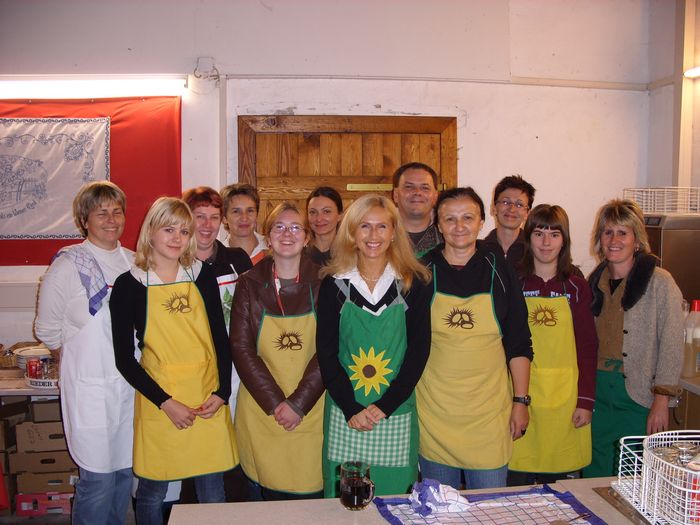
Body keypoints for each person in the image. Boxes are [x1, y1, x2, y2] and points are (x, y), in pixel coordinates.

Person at [110, 197, 236, 525]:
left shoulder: (202, 275)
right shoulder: (129, 285)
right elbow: (124, 359)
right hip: (161, 400)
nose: (177, 238)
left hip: (206, 396)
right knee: (153, 491)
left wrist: (222, 391)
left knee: (212, 491)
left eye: (184, 231)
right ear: (150, 231)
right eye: (169, 229)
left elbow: (220, 340)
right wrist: (166, 402)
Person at [416, 187, 532, 490]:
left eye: (468, 217)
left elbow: (519, 342)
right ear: (438, 225)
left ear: (481, 222)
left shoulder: (500, 269)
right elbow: (410, 344)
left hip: (488, 417)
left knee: (490, 508)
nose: (459, 226)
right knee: (440, 510)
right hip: (435, 414)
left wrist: (521, 401)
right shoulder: (421, 271)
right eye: (450, 219)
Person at [317, 194, 432, 497]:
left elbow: (419, 351)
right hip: (346, 412)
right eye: (364, 226)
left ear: (394, 232)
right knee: (343, 503)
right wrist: (351, 408)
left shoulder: (412, 282)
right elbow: (326, 353)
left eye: (382, 226)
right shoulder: (334, 284)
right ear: (352, 233)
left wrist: (385, 405)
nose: (373, 235)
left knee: (396, 499)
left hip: (395, 409)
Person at [35, 181, 135, 525]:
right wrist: (73, 364)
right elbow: (47, 329)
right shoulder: (68, 265)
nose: (111, 219)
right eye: (101, 212)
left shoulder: (134, 262)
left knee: (125, 473)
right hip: (89, 390)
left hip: (129, 389)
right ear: (84, 220)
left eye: (117, 211)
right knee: (97, 480)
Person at [230, 202, 325, 500]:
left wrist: (298, 404)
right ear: (268, 236)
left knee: (308, 501)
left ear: (307, 237)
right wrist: (276, 403)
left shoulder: (326, 282)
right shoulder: (248, 283)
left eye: (296, 227)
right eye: (279, 227)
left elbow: (331, 348)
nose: (287, 234)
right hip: (262, 408)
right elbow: (241, 347)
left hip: (312, 406)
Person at [583, 199, 684, 478]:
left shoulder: (660, 282)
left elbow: (672, 344)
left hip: (638, 395)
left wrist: (662, 400)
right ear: (599, 239)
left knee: (632, 478)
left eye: (622, 233)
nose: (614, 240)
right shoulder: (594, 282)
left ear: (637, 240)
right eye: (608, 232)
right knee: (594, 474)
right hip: (598, 393)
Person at [507, 204, 598, 486]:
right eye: (539, 233)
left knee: (558, 488)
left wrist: (585, 401)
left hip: (565, 399)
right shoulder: (515, 283)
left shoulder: (576, 286)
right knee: (516, 480)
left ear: (564, 240)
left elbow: (587, 346)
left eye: (554, 234)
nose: (546, 242)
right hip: (521, 394)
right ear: (528, 238)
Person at [182, 186, 252, 503]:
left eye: (213, 217)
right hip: (192, 371)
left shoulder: (237, 260)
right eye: (200, 217)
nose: (207, 225)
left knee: (234, 447)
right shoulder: (175, 263)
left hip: (235, 371)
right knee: (197, 449)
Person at [482, 175, 536, 263]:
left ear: (527, 213)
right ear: (494, 208)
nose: (512, 209)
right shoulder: (479, 251)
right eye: (505, 202)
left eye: (519, 205)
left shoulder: (534, 252)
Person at [392, 162, 441, 256]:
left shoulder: (450, 234)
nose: (417, 192)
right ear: (396, 195)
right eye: (409, 187)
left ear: (435, 197)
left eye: (425, 188)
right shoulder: (378, 233)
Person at [220, 183, 268, 265]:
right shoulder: (218, 257)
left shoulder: (272, 249)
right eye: (236, 211)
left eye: (250, 210)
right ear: (224, 218)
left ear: (256, 214)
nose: (244, 218)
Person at [306, 186, 343, 266]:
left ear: (340, 215)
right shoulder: (299, 253)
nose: (319, 219)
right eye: (313, 212)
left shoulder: (351, 253)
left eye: (326, 211)